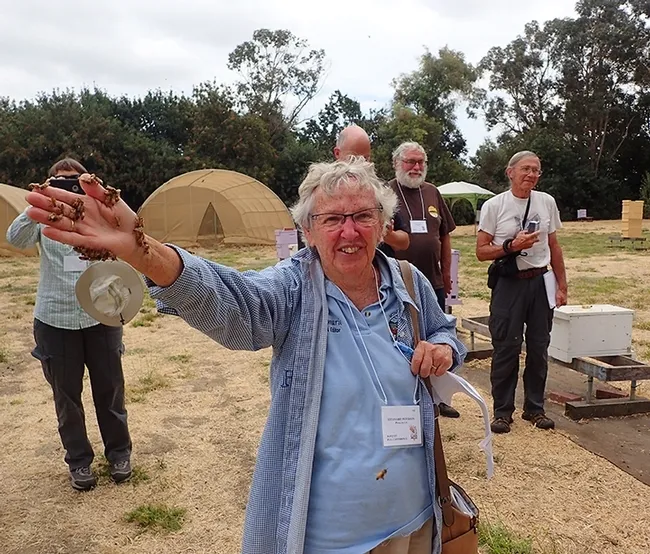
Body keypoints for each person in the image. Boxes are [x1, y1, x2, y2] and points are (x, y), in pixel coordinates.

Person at [25, 157, 467, 554]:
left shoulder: (407, 282)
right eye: (332, 219)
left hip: (417, 517)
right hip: (335, 537)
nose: (348, 231)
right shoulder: (293, 289)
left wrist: (444, 348)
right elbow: (236, 304)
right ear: (307, 231)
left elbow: (445, 331)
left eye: (363, 216)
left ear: (383, 223)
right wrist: (144, 251)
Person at [6, 158, 132, 491]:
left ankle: (119, 454)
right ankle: (79, 462)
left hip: (100, 313)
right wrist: (42, 201)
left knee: (110, 389)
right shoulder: (43, 216)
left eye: (73, 182)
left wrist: (99, 199)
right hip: (55, 317)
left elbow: (125, 236)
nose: (68, 189)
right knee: (66, 396)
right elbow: (15, 238)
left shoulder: (96, 212)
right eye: (59, 182)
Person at [476, 151, 568, 434]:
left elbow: (553, 246)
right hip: (510, 284)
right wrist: (510, 247)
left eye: (536, 170)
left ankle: (535, 408)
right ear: (510, 172)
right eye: (526, 169)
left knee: (539, 347)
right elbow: (481, 251)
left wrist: (562, 285)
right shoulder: (494, 206)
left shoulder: (546, 202)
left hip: (540, 282)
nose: (531, 175)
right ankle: (502, 411)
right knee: (506, 346)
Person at [388, 141, 460, 419]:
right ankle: (408, 397)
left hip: (433, 281)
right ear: (397, 164)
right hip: (399, 282)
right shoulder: (386, 193)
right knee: (403, 339)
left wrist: (447, 272)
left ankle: (441, 398)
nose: (416, 167)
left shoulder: (432, 192)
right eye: (410, 162)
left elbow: (444, 234)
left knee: (440, 340)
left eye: (420, 162)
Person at [334, 125, 410, 257]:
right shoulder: (323, 191)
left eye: (366, 159)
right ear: (337, 153)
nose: (360, 164)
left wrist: (387, 234)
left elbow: (405, 241)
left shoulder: (380, 190)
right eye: (353, 158)